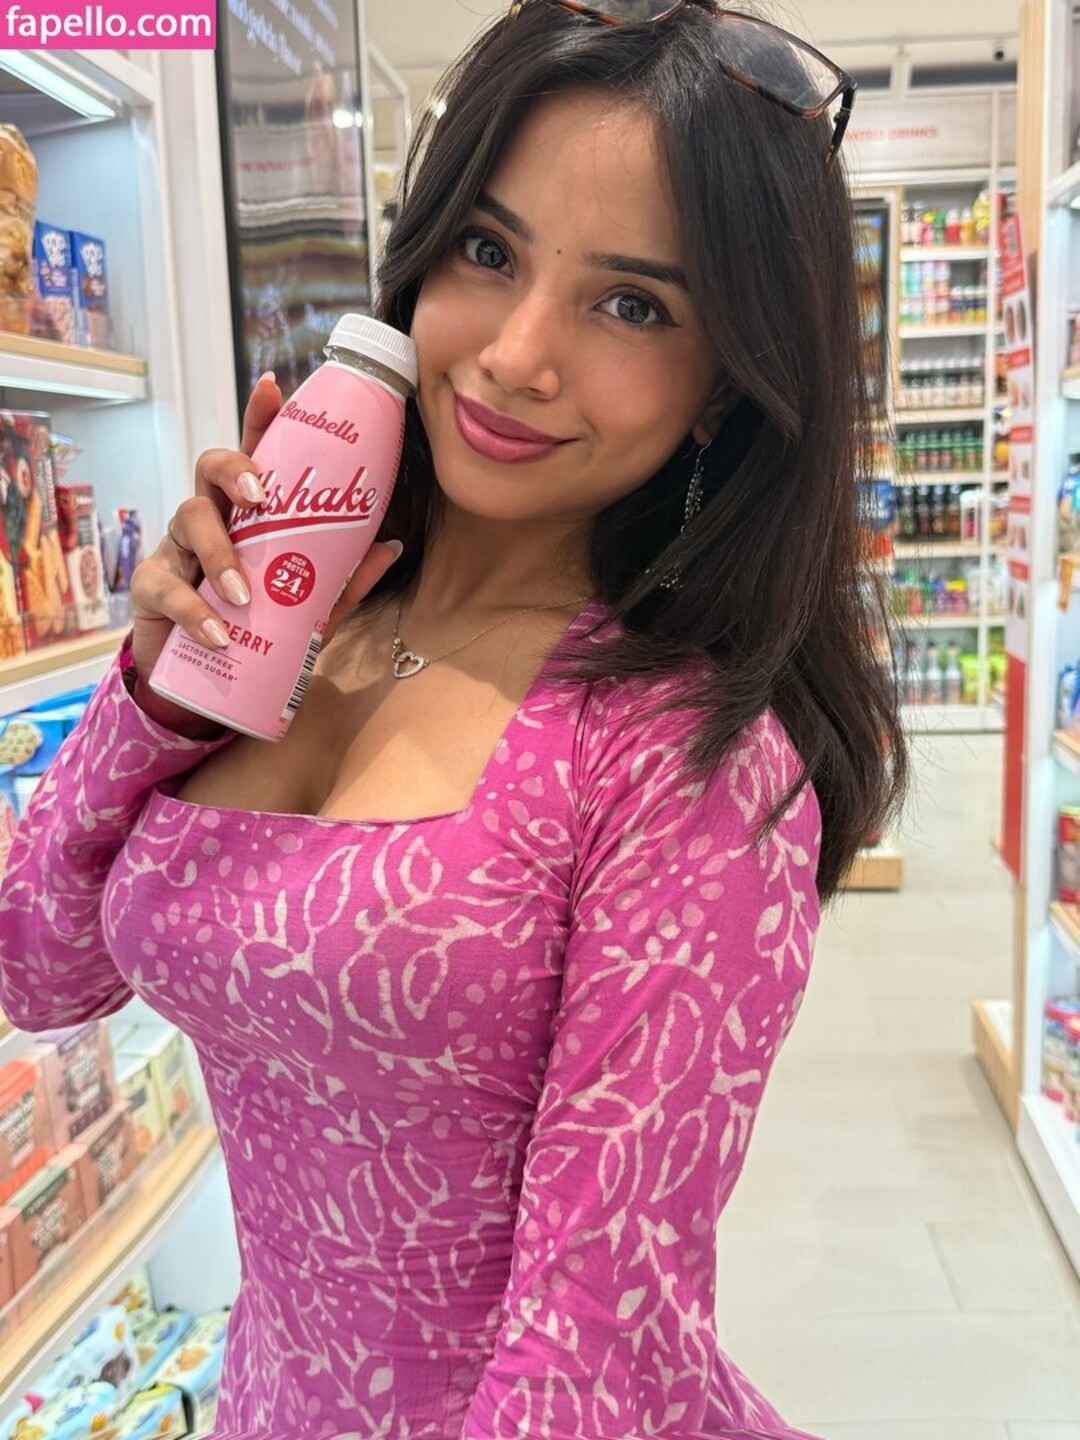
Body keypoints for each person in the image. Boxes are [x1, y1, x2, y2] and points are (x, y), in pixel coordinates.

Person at [0, 2, 906, 1436]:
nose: (517, 354)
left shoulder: (685, 763)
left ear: (726, 386)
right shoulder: (302, 616)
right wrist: (151, 693)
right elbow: (39, 972)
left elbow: (592, 1354)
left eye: (633, 305)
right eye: (489, 251)